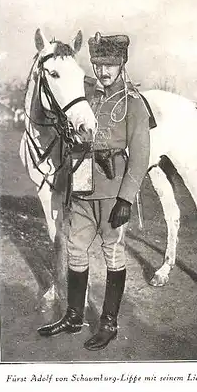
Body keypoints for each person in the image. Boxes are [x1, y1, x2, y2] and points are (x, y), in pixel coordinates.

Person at [37, 31, 151, 351]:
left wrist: (126, 198)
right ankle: (74, 317)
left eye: (110, 65)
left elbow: (140, 156)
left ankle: (108, 323)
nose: (102, 71)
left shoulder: (133, 104)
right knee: (76, 249)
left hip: (114, 191)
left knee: (112, 252)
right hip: (83, 185)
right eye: (98, 65)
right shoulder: (87, 92)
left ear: (121, 65)